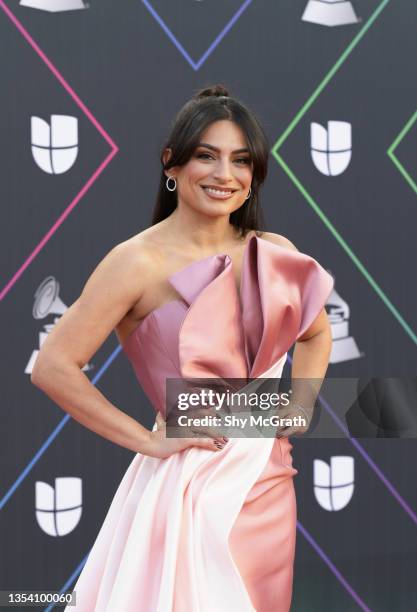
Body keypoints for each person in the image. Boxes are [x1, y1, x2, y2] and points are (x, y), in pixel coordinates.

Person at [31, 84, 334, 612]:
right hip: (187, 485)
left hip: (267, 485)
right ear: (171, 164)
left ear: (254, 176)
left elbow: (315, 332)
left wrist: (301, 403)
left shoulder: (275, 253)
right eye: (206, 156)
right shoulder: (135, 263)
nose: (225, 175)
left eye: (241, 161)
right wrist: (147, 442)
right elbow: (54, 366)